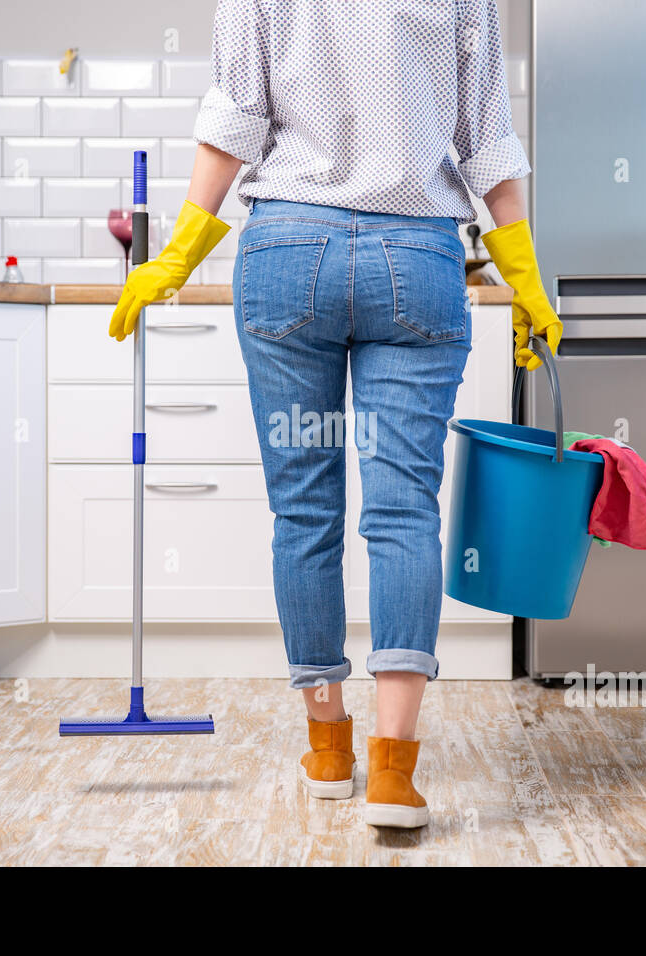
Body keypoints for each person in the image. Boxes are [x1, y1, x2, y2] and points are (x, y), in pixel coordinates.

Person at [109, 0, 561, 829]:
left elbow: (234, 122)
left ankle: (327, 745)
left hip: (288, 256)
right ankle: (393, 771)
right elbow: (486, 136)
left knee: (303, 514)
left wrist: (176, 253)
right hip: (418, 259)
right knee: (402, 516)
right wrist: (523, 271)